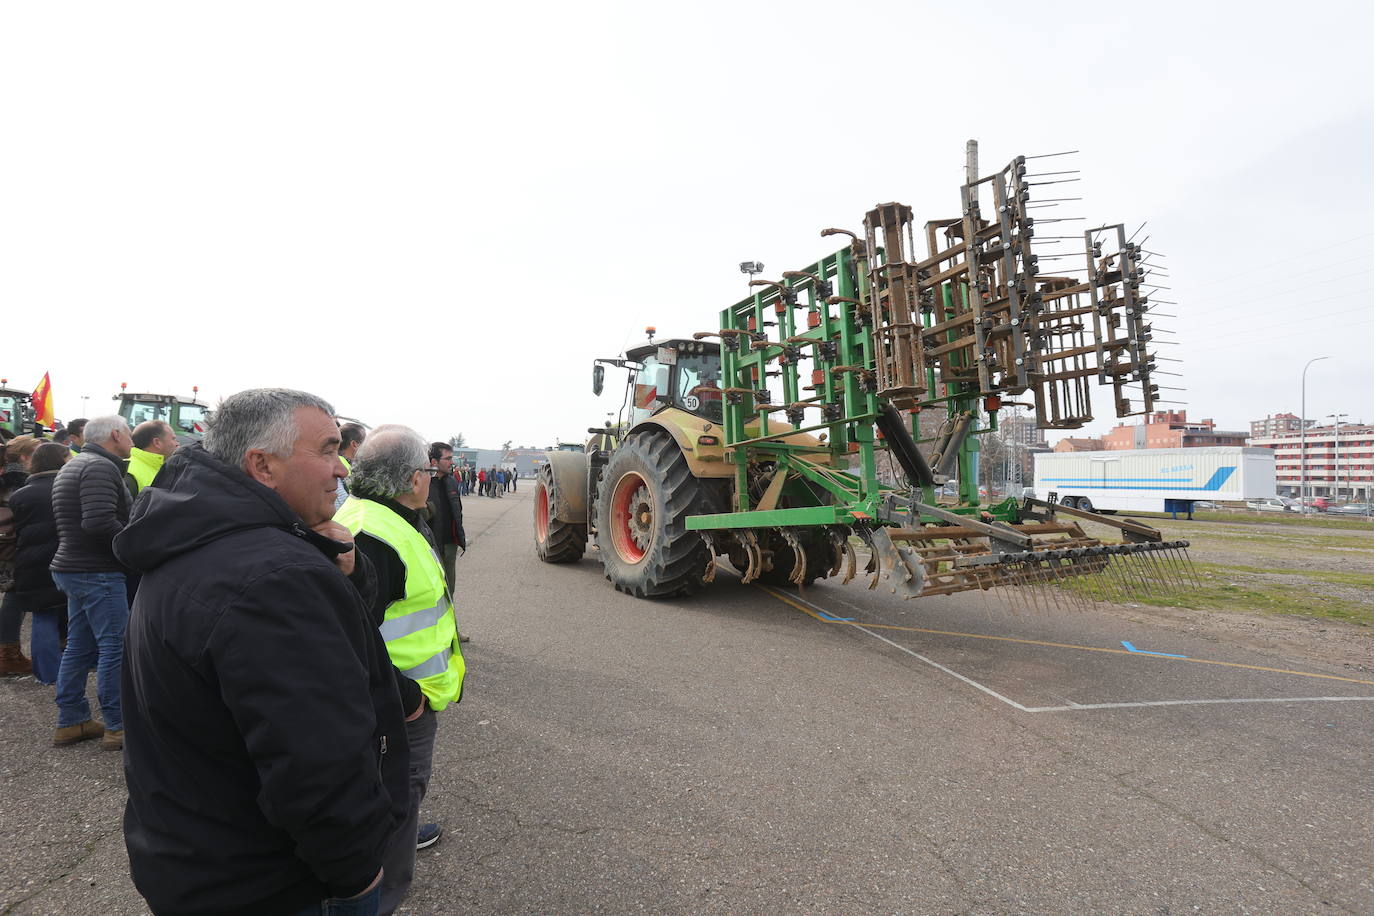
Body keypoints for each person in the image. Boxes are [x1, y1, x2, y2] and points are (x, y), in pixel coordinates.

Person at [116, 388, 409, 916]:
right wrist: (358, 873)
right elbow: (315, 761)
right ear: (263, 466)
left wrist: (338, 564)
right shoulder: (274, 576)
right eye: (326, 449)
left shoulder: (197, 536)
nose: (342, 469)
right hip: (271, 881)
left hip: (197, 859)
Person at [335, 425, 466, 916]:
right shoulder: (374, 536)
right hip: (395, 708)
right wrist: (405, 699)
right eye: (428, 472)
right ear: (414, 477)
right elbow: (347, 639)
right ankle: (379, 901)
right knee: (396, 799)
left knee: (399, 799)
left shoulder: (382, 519)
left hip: (400, 700)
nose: (432, 480)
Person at [49, 415, 133, 748]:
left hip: (75, 568)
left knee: (80, 647)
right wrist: (134, 543)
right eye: (127, 433)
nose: (130, 439)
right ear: (115, 434)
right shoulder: (100, 467)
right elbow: (98, 522)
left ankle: (72, 720)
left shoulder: (76, 463)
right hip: (96, 570)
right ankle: (118, 726)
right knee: (115, 647)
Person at [6, 443, 70, 682]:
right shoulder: (69, 488)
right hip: (65, 558)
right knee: (71, 613)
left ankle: (46, 673)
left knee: (42, 615)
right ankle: (72, 666)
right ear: (60, 460)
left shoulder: (21, 494)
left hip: (29, 562)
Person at [0, 435, 39, 675]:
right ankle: (8, 655)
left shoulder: (8, 477)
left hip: (9, 545)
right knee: (15, 596)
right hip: (14, 546)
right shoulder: (19, 481)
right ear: (25, 457)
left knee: (15, 596)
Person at [125, 420, 179, 496]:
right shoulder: (129, 474)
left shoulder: (161, 467)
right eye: (173, 439)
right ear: (157, 442)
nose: (177, 444)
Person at [335, 422, 367, 510]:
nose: (368, 447)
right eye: (366, 442)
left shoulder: (340, 464)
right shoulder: (339, 467)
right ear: (354, 444)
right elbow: (341, 505)